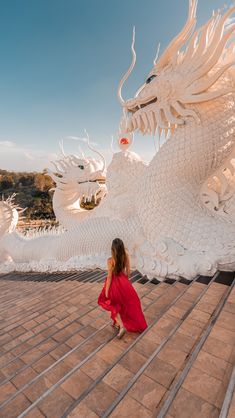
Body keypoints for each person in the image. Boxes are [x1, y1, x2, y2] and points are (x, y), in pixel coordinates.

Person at [98, 238, 148, 338]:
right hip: (124, 283)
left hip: (114, 285)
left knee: (108, 303)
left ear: (113, 249)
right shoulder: (126, 255)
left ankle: (121, 325)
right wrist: (125, 282)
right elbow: (128, 271)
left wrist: (107, 292)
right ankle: (118, 324)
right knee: (126, 304)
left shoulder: (110, 261)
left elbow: (109, 277)